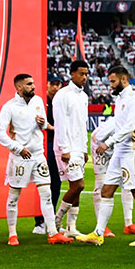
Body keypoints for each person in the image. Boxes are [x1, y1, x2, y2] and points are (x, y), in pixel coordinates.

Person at [0, 73, 73, 246]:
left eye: (33, 83)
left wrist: (42, 123)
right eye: (29, 84)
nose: (33, 87)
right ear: (19, 87)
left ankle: (52, 232)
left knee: (46, 193)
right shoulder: (10, 107)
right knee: (14, 196)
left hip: (38, 155)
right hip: (20, 156)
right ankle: (12, 234)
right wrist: (17, 148)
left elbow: (43, 125)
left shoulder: (38, 101)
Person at [77, 66, 135, 247]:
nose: (110, 85)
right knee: (107, 190)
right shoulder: (120, 99)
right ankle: (98, 233)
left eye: (113, 81)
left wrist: (107, 142)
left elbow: (128, 127)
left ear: (124, 79)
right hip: (120, 151)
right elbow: (119, 125)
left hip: (132, 151)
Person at [52, 60, 90, 237]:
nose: (84, 77)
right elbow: (59, 123)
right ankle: (56, 220)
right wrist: (64, 148)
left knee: (77, 187)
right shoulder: (62, 95)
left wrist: (84, 149)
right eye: (81, 74)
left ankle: (71, 228)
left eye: (86, 74)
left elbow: (83, 125)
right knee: (78, 185)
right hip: (65, 147)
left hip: (78, 148)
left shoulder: (83, 96)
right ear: (72, 74)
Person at [90, 115, 135, 237]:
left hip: (117, 150)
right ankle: (101, 226)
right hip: (99, 146)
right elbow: (98, 137)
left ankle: (129, 224)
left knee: (127, 181)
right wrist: (108, 148)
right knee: (100, 185)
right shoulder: (118, 122)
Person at [34, 73, 63, 235]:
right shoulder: (39, 102)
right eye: (53, 83)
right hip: (44, 144)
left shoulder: (59, 101)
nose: (56, 87)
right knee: (44, 182)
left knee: (56, 183)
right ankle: (39, 221)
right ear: (46, 84)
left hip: (57, 144)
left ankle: (49, 219)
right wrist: (51, 127)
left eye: (59, 84)